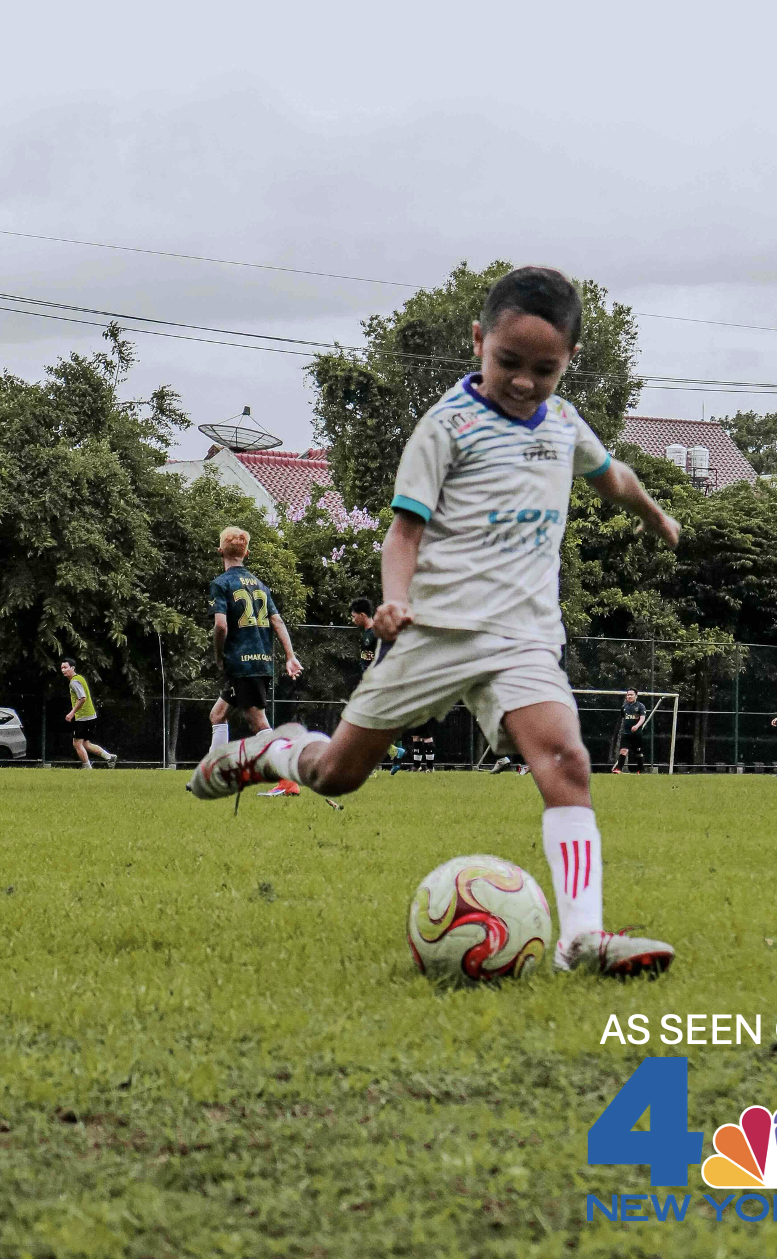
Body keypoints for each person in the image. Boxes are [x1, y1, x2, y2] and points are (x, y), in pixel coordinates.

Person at [189, 267, 678, 975]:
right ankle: (272, 753)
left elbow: (613, 475)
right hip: (433, 633)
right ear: (479, 341)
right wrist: (394, 599)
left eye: (545, 369)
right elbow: (403, 534)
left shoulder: (564, 422)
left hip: (523, 638)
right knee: (337, 775)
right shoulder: (445, 427)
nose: (523, 381)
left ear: (569, 360)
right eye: (508, 362)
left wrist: (655, 513)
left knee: (567, 761)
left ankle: (582, 941)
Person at [205, 526, 304, 797]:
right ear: (246, 552)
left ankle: (288, 780)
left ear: (220, 551)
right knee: (218, 715)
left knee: (259, 724)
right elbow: (277, 621)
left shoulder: (221, 584)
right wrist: (290, 656)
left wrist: (218, 655)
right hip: (261, 661)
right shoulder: (259, 584)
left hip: (241, 663)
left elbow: (221, 627)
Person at [60, 660, 117, 769]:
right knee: (86, 744)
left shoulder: (74, 682)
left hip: (83, 717)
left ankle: (87, 768)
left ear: (73, 668)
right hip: (90, 716)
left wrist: (72, 713)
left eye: (66, 667)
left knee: (77, 744)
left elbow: (82, 698)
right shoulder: (80, 678)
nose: (63, 670)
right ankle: (109, 757)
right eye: (62, 668)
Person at [611, 689, 647, 773]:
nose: (629, 696)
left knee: (638, 752)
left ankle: (640, 770)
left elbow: (642, 718)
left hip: (637, 733)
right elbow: (624, 717)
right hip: (626, 733)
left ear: (636, 696)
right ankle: (619, 769)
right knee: (623, 751)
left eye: (631, 695)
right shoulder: (624, 707)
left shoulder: (641, 706)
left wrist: (637, 726)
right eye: (628, 695)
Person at [350, 598, 378, 687]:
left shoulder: (377, 633)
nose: (353, 620)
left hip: (375, 681)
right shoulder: (365, 632)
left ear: (362, 615)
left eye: (354, 617)